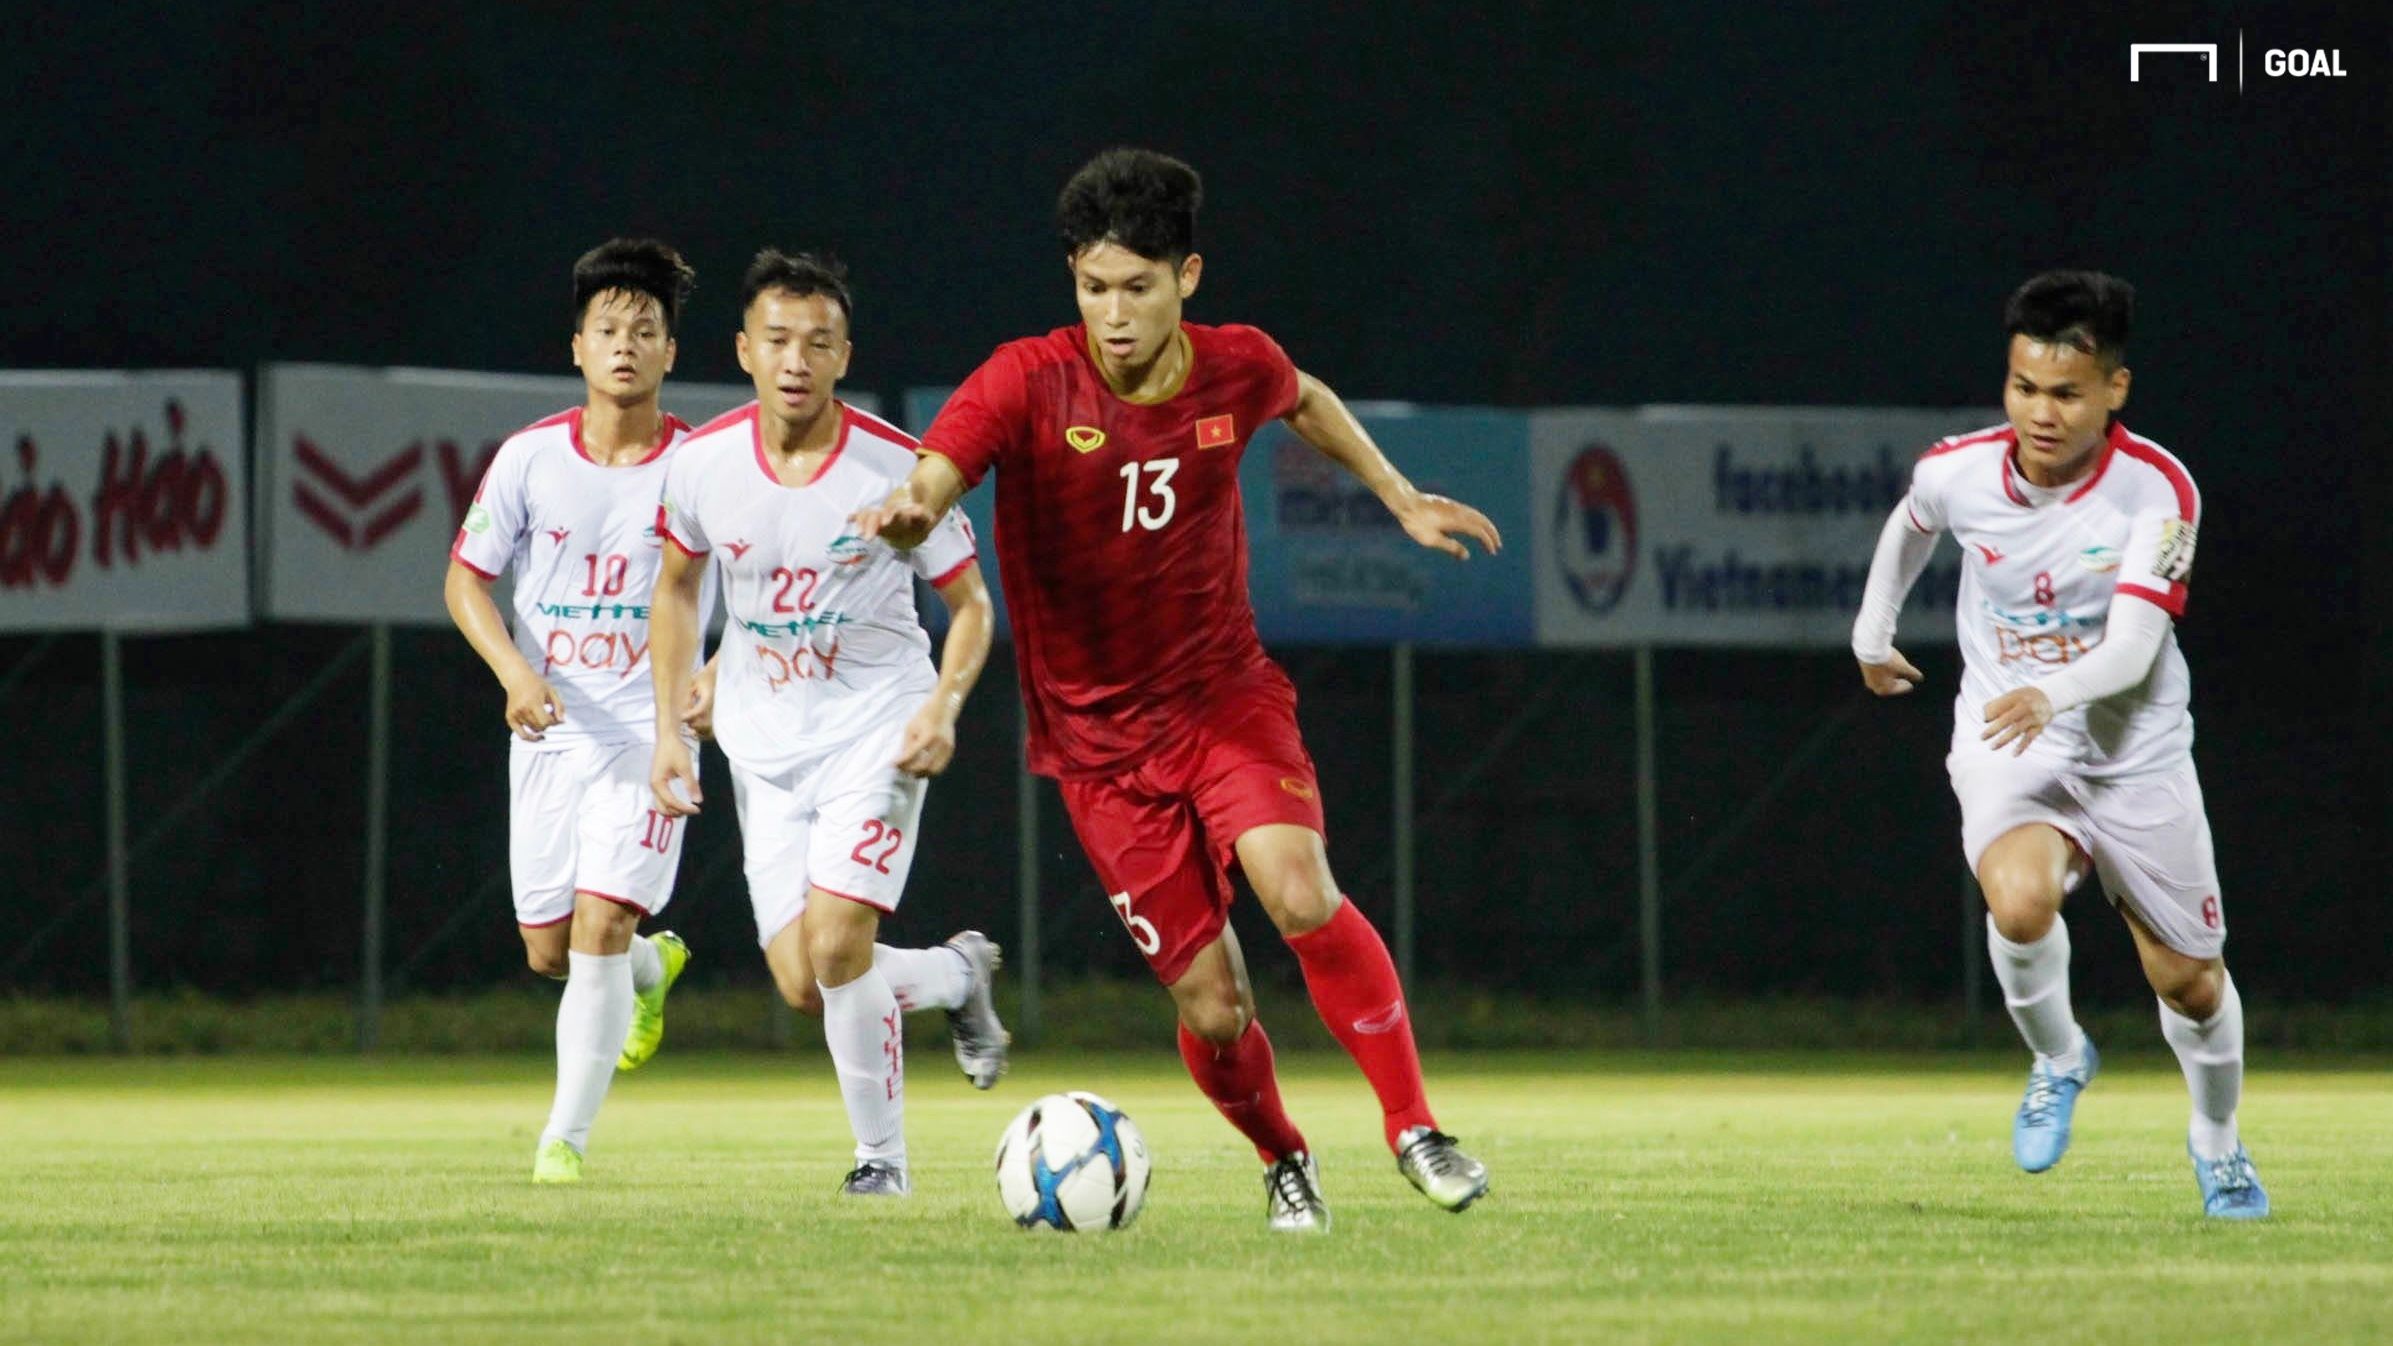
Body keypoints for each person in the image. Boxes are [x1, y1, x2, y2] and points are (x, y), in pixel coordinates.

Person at [855, 148, 1496, 1231]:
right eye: (1093, 286)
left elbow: (1302, 396)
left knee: (1297, 889)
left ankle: (1414, 1125)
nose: (1112, 314)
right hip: (1098, 746)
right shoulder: (1027, 378)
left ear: (1185, 278)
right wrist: (913, 509)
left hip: (1221, 696)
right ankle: (1283, 1154)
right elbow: (938, 463)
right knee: (1212, 1002)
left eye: (1136, 287)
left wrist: (1394, 495)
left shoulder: (1234, 364)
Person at [1852, 270, 2266, 1218]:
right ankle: (2058, 1057)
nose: (2040, 412)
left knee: (2190, 982)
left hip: (2133, 749)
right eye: (2023, 387)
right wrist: (1871, 635)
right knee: (2019, 901)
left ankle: (2218, 1145)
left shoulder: (2157, 493)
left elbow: (2133, 646)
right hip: (2010, 733)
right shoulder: (1956, 471)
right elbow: (1909, 526)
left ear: (2113, 389)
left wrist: (2055, 691)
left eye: (2066, 393)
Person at [649, 249, 1008, 1198]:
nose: (796, 359)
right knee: (806, 983)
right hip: (763, 750)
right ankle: (953, 977)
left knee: (839, 946)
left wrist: (942, 708)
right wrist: (673, 723)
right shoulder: (701, 464)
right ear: (743, 351)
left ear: (844, 355)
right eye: (777, 340)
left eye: (817, 342)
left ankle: (879, 1163)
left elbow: (971, 607)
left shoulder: (899, 468)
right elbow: (681, 586)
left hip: (876, 729)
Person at [443, 238, 702, 1184]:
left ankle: (564, 1141)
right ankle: (650, 967)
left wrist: (712, 682)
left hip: (649, 735)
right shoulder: (527, 459)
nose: (625, 345)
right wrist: (515, 672)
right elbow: (465, 581)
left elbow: (749, 582)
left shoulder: (700, 466)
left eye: (645, 330)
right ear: (578, 347)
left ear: (671, 352)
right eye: (608, 329)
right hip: (549, 733)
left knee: (597, 927)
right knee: (550, 950)